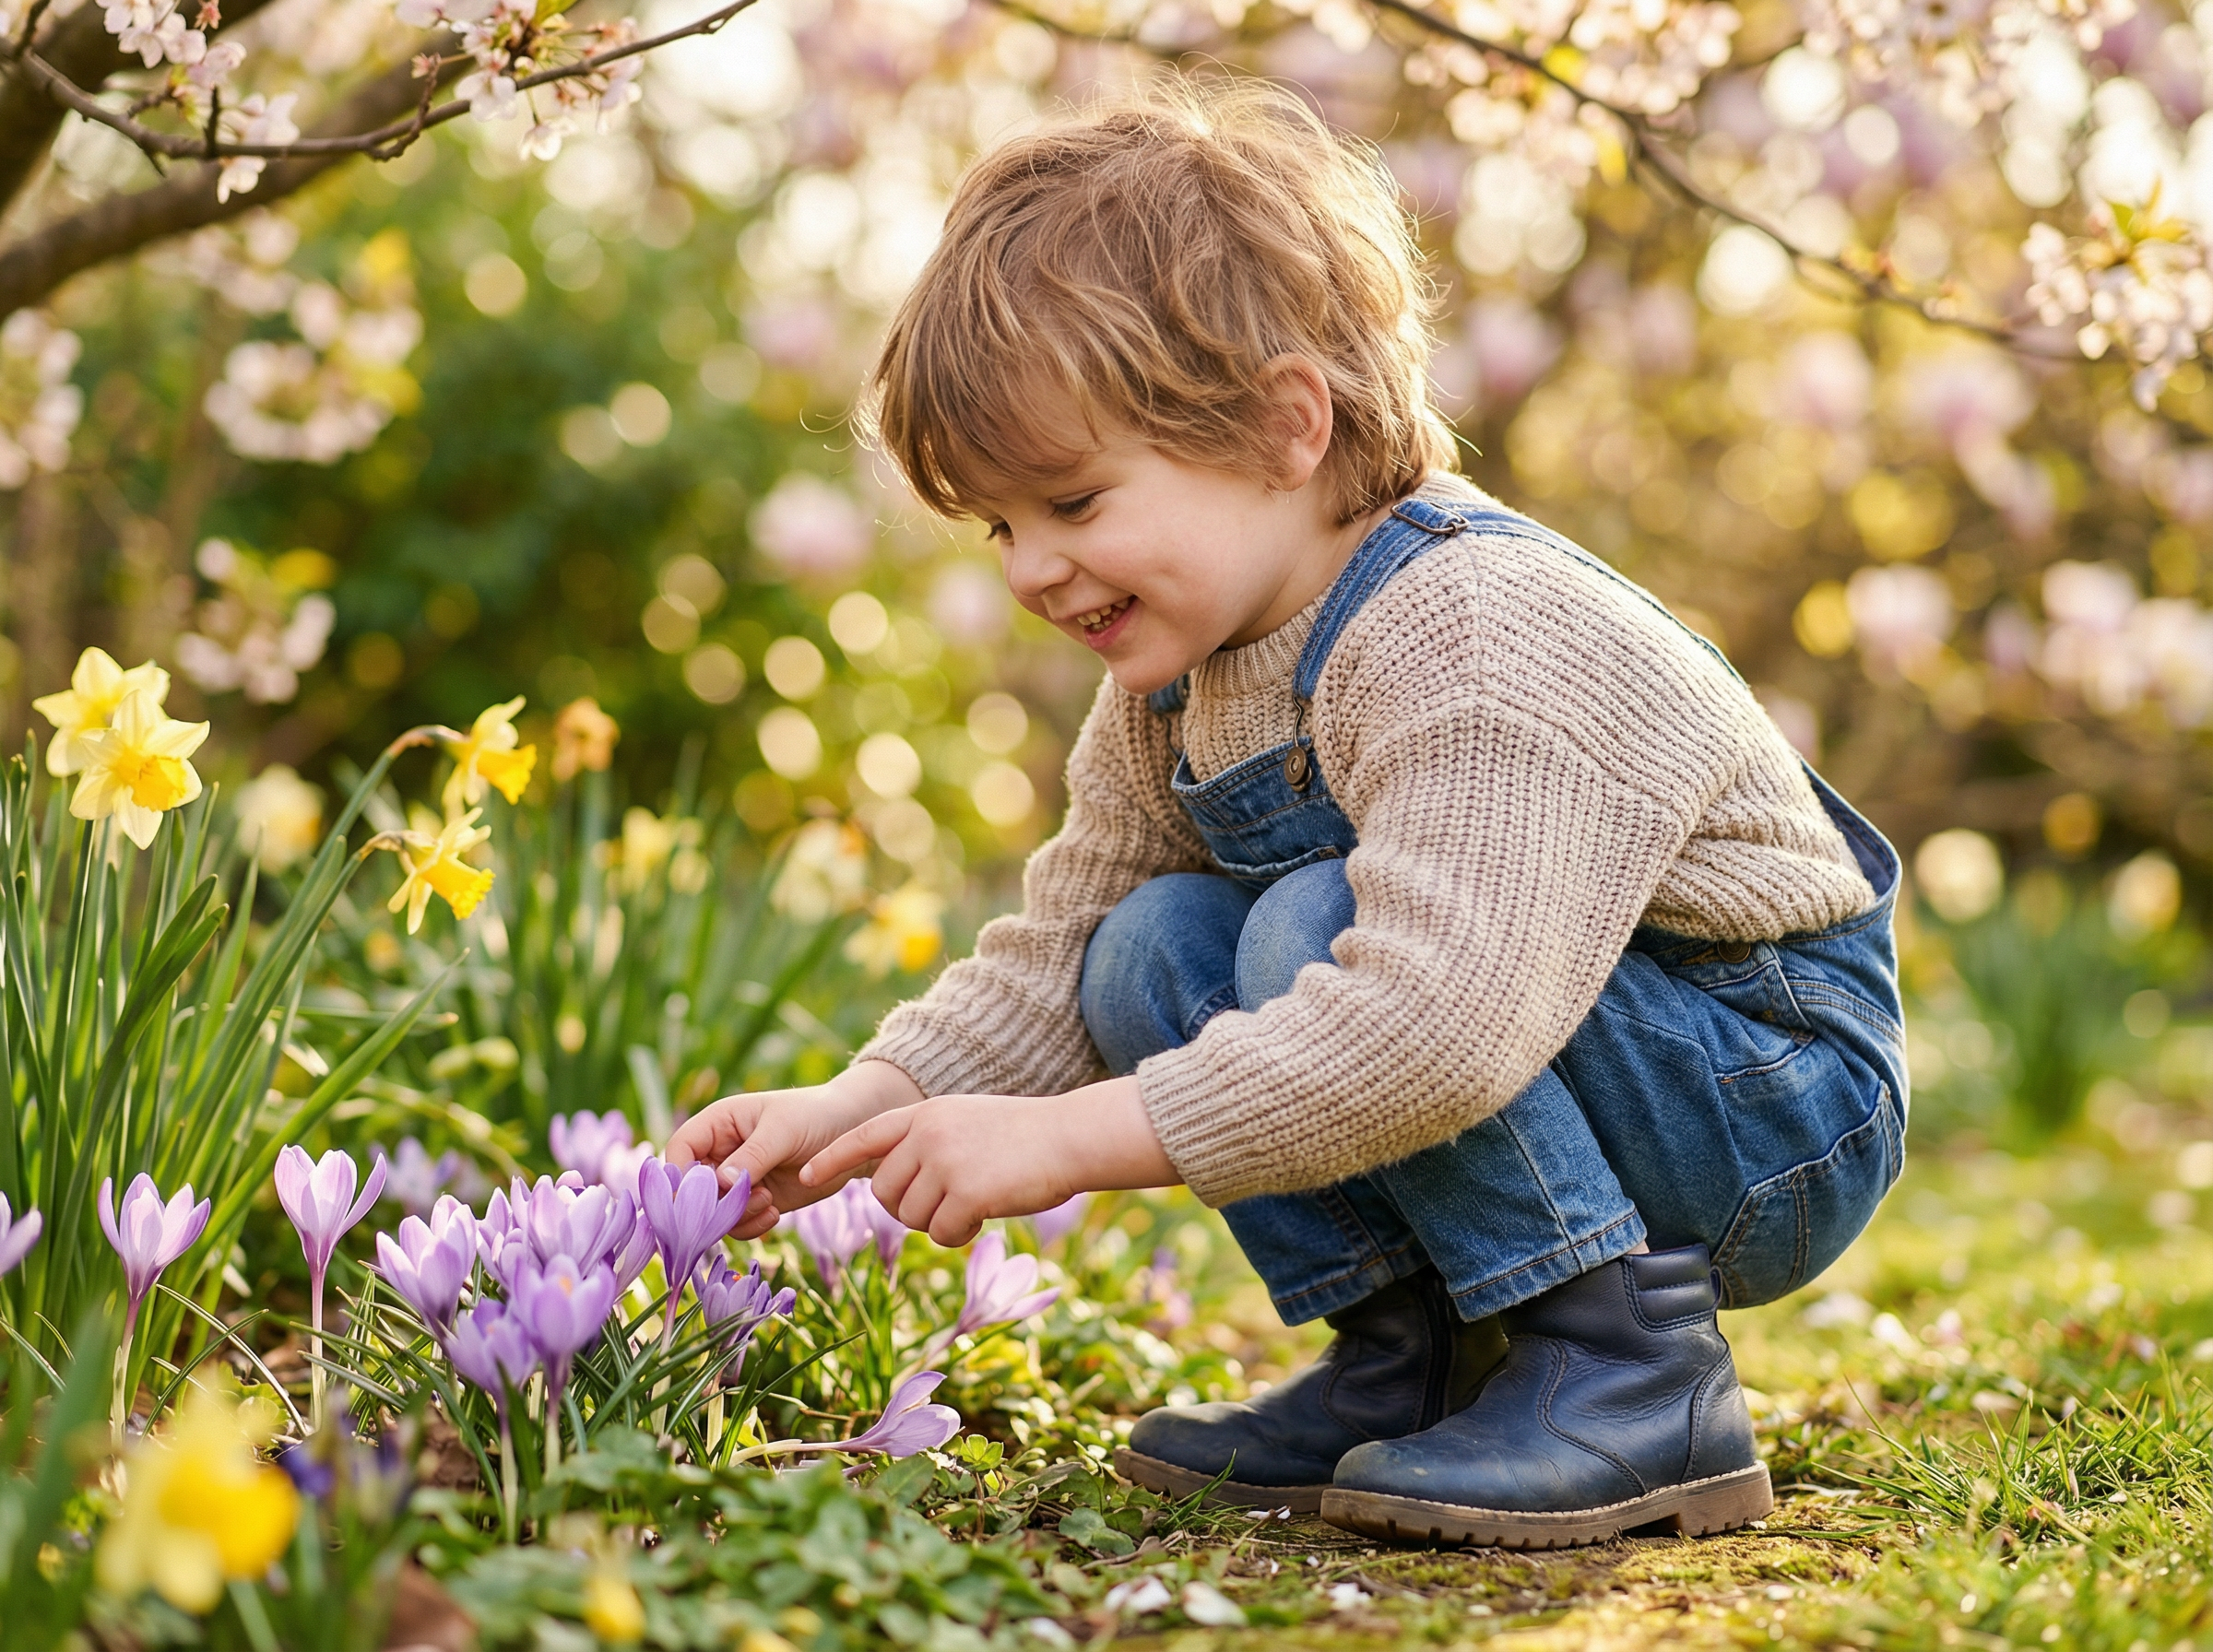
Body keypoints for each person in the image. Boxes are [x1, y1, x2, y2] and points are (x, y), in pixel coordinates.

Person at [668, 73, 1906, 1549]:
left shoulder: (1476, 632)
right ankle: (1411, 1366)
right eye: (1000, 524)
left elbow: (1439, 1024)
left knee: (1318, 928)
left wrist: (1070, 1143)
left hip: (1763, 1104)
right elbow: (1056, 957)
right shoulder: (1178, 682)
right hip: (1555, 1057)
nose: (1029, 568)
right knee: (1147, 943)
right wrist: (868, 1108)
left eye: (1073, 501)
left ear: (1284, 427)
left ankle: (1632, 1374)